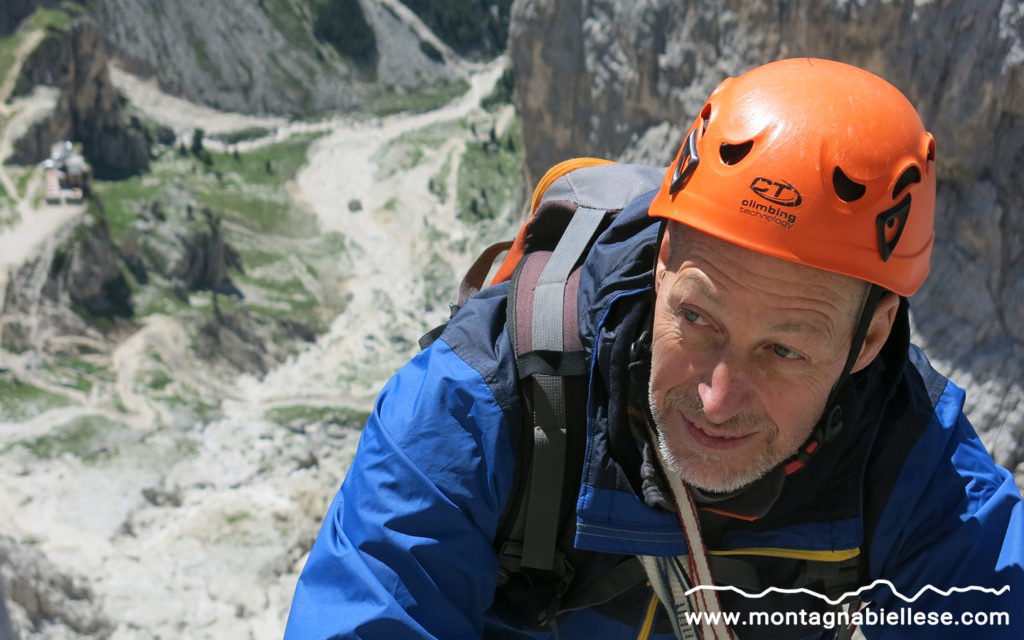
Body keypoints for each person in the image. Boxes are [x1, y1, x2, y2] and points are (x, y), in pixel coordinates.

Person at [283, 58, 1024, 639]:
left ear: (869, 338)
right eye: (697, 319)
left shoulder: (908, 460)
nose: (716, 397)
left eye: (784, 352)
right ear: (663, 259)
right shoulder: (482, 404)